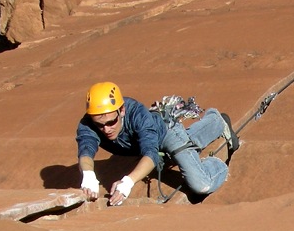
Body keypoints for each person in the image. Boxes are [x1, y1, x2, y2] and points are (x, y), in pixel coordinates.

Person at [76, 82, 239, 206]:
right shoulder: (88, 124)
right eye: (99, 125)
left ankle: (215, 156)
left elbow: (151, 153)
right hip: (143, 145)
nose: (106, 129)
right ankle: (209, 128)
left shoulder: (137, 114)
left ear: (122, 110)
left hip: (166, 133)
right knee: (185, 144)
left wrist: (127, 182)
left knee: (201, 184)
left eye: (112, 122)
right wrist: (88, 175)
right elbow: (86, 151)